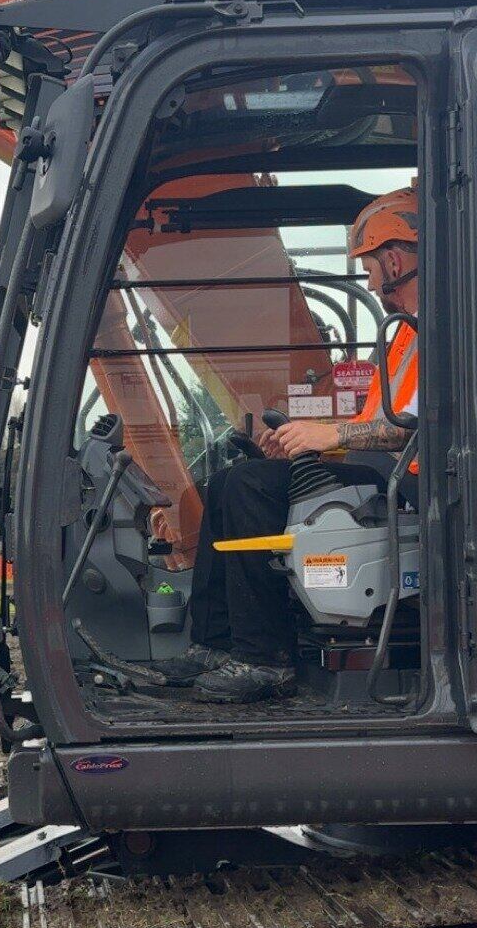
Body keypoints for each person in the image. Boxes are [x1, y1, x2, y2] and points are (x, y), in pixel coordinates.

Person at [159, 184, 422, 704]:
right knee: (227, 482)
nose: (367, 281)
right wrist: (310, 443)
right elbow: (380, 423)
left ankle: (264, 658)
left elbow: (419, 425)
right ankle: (214, 642)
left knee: (250, 487)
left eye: (368, 268)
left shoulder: (443, 328)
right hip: (380, 468)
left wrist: (327, 434)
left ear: (393, 261)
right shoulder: (405, 334)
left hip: (413, 482)